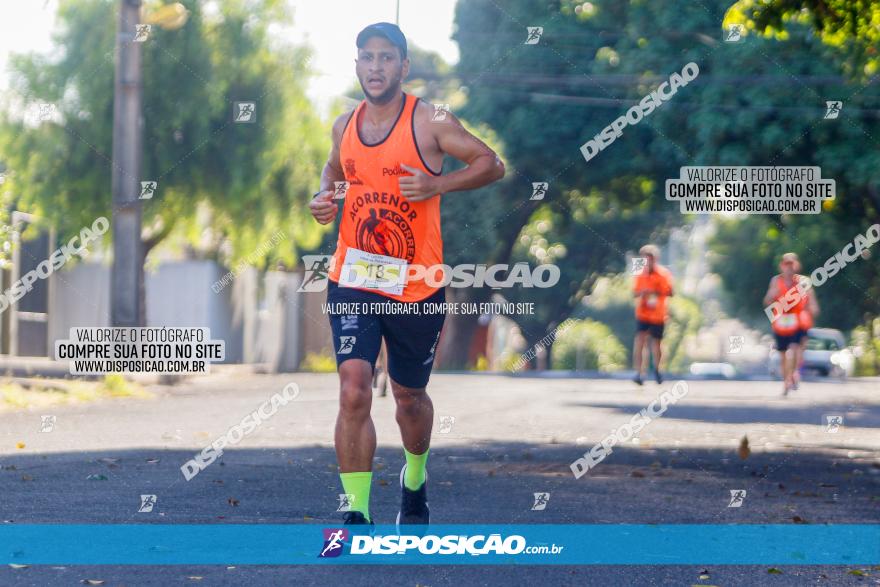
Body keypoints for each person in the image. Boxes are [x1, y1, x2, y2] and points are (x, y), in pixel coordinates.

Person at [308, 22, 505, 528]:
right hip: (353, 275)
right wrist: (325, 198)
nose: (375, 67)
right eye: (367, 57)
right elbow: (334, 171)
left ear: (403, 66)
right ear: (356, 65)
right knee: (354, 386)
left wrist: (440, 182)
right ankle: (356, 510)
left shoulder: (431, 119)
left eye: (386, 57)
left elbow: (491, 163)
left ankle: (414, 478)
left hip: (416, 284)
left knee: (409, 398)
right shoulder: (343, 125)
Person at [763, 253, 817, 394]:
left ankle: (792, 376)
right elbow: (767, 300)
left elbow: (810, 299)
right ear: (782, 266)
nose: (789, 268)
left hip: (796, 321)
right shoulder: (776, 281)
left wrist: (812, 307)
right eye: (786, 265)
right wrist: (776, 301)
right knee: (783, 355)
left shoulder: (803, 281)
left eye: (792, 265)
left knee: (794, 349)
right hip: (781, 322)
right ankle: (787, 380)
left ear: (796, 266)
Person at [632, 244, 674, 385]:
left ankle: (657, 370)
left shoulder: (663, 273)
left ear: (655, 259)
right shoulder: (639, 273)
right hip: (643, 312)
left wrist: (655, 291)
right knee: (640, 341)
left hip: (658, 313)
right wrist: (642, 293)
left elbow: (671, 292)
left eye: (650, 259)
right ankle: (639, 373)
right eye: (644, 259)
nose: (647, 262)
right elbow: (634, 292)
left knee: (656, 343)